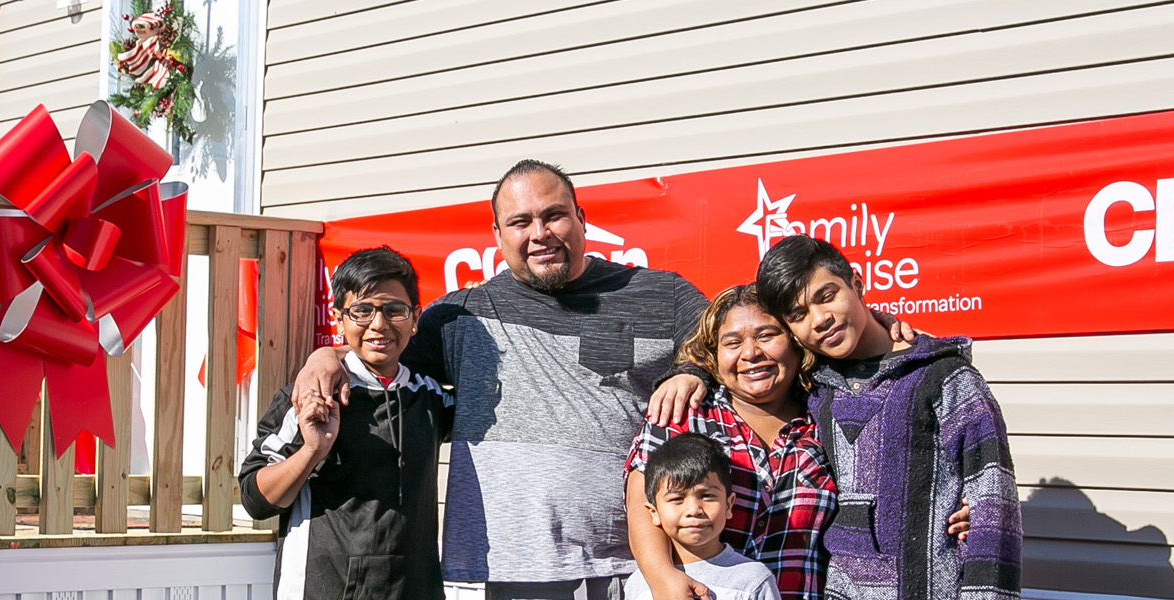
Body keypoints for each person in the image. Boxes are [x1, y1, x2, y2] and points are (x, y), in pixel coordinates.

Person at [293, 160, 915, 600]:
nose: (540, 233)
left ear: (582, 219)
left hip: (635, 570)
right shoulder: (457, 317)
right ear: (497, 236)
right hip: (502, 570)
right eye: (521, 222)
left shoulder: (662, 295)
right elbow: (379, 352)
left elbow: (757, 337)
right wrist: (326, 355)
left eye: (554, 215)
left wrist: (879, 329)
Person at [756, 235, 1021, 600]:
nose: (820, 319)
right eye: (798, 315)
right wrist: (691, 375)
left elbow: (994, 506)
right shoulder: (813, 389)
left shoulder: (944, 378)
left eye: (827, 296)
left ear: (857, 284)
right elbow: (734, 351)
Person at [237, 247, 452, 600]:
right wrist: (312, 450)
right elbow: (255, 500)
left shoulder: (430, 397)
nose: (379, 324)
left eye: (394, 310)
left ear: (415, 317)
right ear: (339, 319)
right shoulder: (311, 395)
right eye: (362, 311)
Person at [625, 285, 837, 600]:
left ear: (796, 340)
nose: (750, 353)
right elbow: (643, 502)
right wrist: (662, 579)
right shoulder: (684, 413)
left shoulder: (827, 419)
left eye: (766, 335)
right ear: (714, 354)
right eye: (733, 342)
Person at [624, 433, 779, 600]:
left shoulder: (753, 581)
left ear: (728, 505)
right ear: (654, 512)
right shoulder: (639, 584)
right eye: (677, 499)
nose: (694, 510)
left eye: (707, 496)